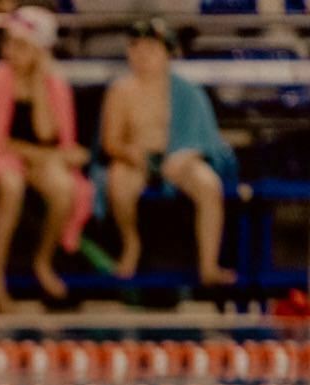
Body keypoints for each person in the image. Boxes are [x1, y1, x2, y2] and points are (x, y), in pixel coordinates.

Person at [0, 7, 92, 312]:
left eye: (21, 45)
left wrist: (39, 82)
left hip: (35, 160)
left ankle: (43, 261)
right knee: (11, 184)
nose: (11, 51)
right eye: (9, 43)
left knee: (64, 189)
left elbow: (47, 132)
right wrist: (45, 155)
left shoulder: (54, 85)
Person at [99, 17, 237, 285]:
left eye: (150, 50)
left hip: (180, 158)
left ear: (167, 54)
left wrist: (186, 155)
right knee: (118, 181)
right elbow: (110, 141)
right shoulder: (121, 91)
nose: (142, 56)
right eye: (136, 48)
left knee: (208, 184)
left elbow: (206, 139)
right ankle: (131, 245)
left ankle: (208, 265)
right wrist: (132, 154)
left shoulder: (187, 92)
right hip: (135, 158)